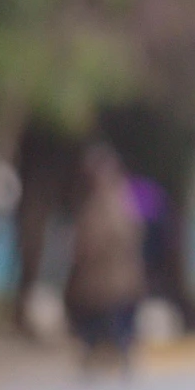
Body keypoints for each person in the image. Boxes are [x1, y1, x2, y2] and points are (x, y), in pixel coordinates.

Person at [63, 143, 144, 377]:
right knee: (96, 321)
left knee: (110, 321)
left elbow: (118, 234)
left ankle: (116, 357)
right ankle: (98, 356)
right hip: (101, 278)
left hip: (111, 278)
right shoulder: (98, 200)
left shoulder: (116, 199)